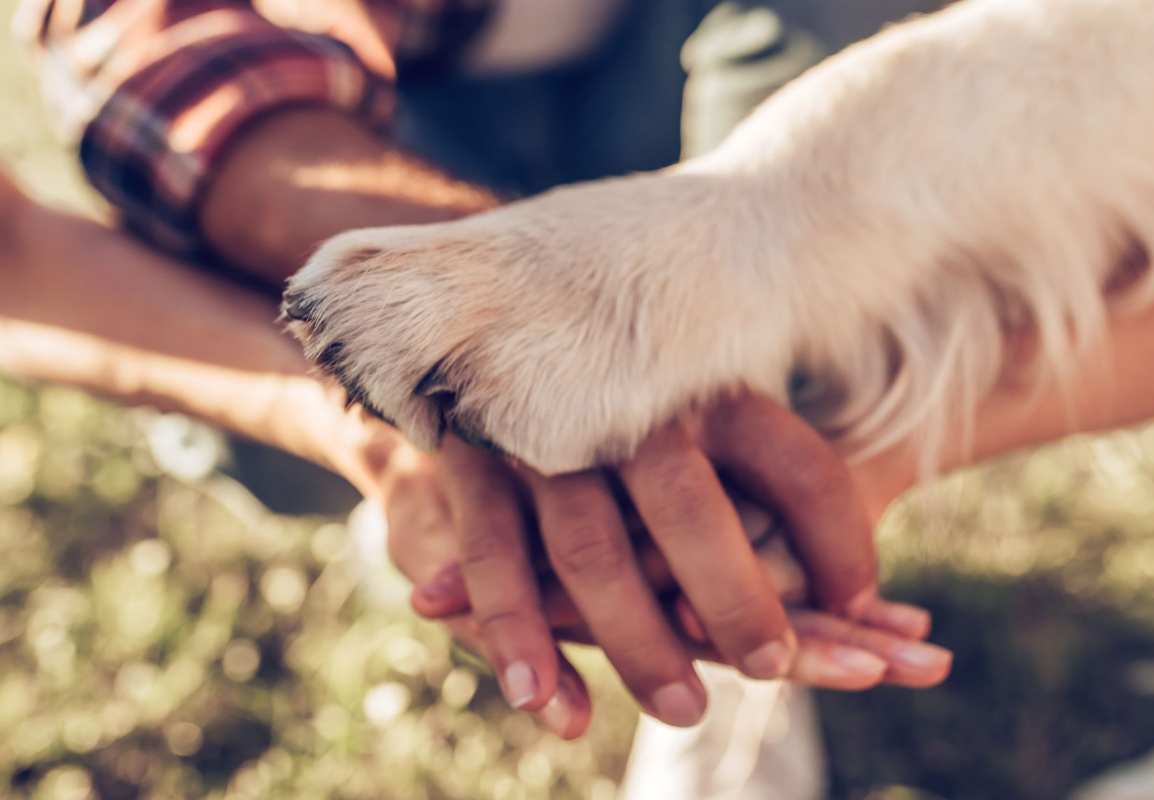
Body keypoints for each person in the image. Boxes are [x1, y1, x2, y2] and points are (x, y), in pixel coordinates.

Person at [10, 0, 952, 732]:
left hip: (718, 108)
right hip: (391, 134)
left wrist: (633, 337)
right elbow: (157, 82)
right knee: (292, 362)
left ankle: (718, 551)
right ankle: (677, 542)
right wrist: (458, 369)